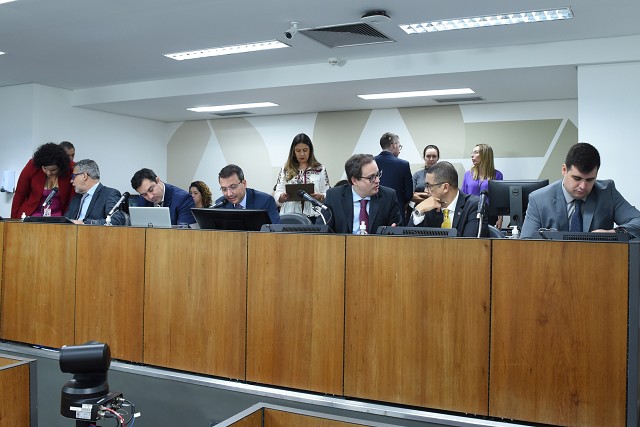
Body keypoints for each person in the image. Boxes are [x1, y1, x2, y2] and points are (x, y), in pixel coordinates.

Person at [521, 142, 640, 239]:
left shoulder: (607, 192)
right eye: (577, 178)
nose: (583, 186)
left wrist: (615, 232)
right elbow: (526, 242)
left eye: (590, 180)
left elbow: (637, 220)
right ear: (564, 170)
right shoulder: (538, 199)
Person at [324, 154, 401, 234]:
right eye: (371, 177)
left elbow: (397, 229)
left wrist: (393, 232)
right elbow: (322, 231)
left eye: (377, 174)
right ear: (354, 180)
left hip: (377, 242)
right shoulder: (334, 196)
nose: (377, 180)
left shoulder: (389, 196)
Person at [408, 161, 488, 237]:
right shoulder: (427, 207)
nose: (426, 191)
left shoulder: (474, 206)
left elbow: (470, 243)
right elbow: (409, 241)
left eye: (429, 186)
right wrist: (418, 211)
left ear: (445, 187)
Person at [273, 133, 330, 222]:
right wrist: (282, 197)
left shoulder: (320, 169)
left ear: (310, 150)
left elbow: (327, 193)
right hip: (290, 214)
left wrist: (320, 197)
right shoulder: (286, 168)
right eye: (298, 151)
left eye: (305, 150)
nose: (302, 154)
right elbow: (277, 193)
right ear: (293, 151)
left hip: (314, 215)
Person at [11, 142, 75, 218]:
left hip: (59, 217)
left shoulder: (71, 168)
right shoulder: (32, 165)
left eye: (53, 170)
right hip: (31, 214)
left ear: (61, 167)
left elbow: (72, 199)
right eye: (45, 168)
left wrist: (68, 219)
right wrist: (13, 220)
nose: (49, 173)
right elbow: (20, 194)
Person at [65, 159, 127, 225]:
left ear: (84, 176)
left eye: (73, 176)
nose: (71, 181)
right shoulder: (76, 198)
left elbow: (116, 221)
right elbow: (66, 220)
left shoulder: (109, 194)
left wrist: (85, 223)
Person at [214, 164, 280, 224]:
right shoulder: (220, 205)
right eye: (224, 189)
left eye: (233, 187)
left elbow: (275, 230)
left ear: (244, 184)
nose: (229, 194)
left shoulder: (265, 201)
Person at [131, 168, 195, 225]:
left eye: (151, 189)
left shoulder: (183, 198)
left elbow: (184, 231)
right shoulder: (142, 199)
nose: (150, 197)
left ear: (158, 180)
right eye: (145, 195)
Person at [374, 132, 413, 225]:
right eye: (400, 146)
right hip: (397, 212)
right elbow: (408, 194)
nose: (399, 150)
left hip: (374, 212)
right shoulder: (404, 164)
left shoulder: (371, 162)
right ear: (394, 145)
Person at [462, 143, 504, 228]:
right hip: (470, 214)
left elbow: (500, 199)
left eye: (476, 152)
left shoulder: (497, 175)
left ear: (485, 155)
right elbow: (463, 197)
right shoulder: (468, 175)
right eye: (472, 152)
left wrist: (500, 218)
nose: (472, 155)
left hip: (490, 216)